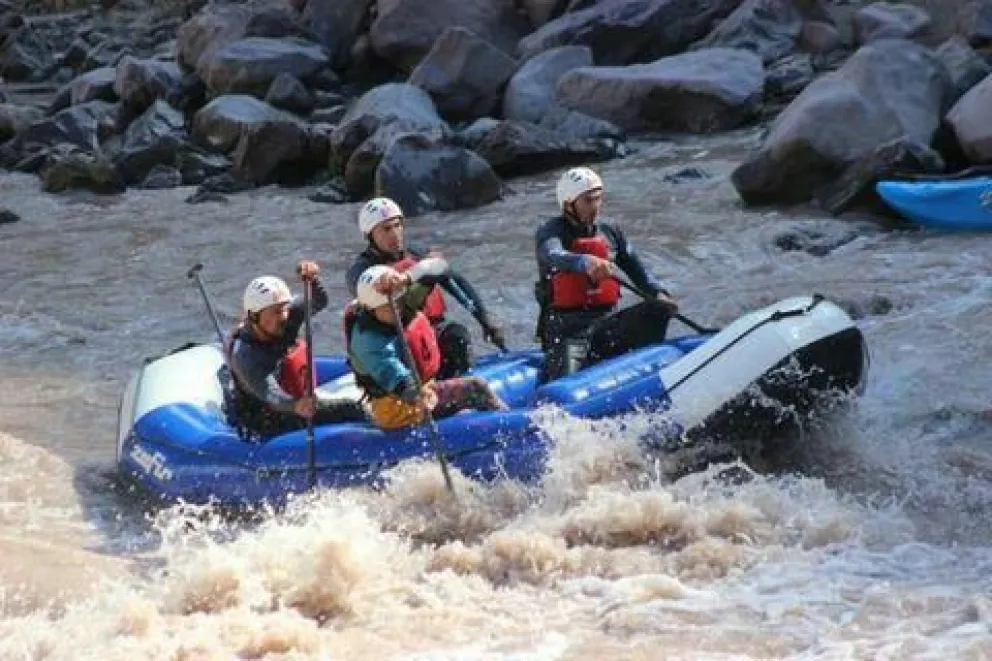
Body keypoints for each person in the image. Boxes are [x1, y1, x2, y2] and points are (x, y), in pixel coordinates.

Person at [534, 167, 679, 382]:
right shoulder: (550, 232)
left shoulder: (609, 231)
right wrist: (584, 261)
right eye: (588, 201)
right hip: (568, 332)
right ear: (569, 204)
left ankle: (650, 371)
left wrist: (659, 293)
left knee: (659, 308)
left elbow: (639, 273)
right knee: (565, 381)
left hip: (607, 324)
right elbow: (552, 255)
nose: (595, 207)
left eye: (598, 199)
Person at [345, 197, 507, 380]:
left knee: (457, 336)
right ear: (370, 235)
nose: (395, 234)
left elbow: (455, 281)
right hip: (393, 340)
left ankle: (456, 383)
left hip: (430, 328)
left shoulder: (417, 254)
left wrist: (485, 320)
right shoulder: (361, 271)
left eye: (398, 225)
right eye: (386, 229)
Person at [346, 262, 508, 431]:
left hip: (424, 389)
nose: (396, 310)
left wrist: (405, 278)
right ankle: (508, 428)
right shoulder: (368, 341)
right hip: (396, 408)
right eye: (387, 308)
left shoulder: (400, 302)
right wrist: (417, 396)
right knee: (476, 388)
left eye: (398, 303)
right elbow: (398, 379)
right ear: (370, 309)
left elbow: (439, 268)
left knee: (454, 337)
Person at [226, 261, 367, 440]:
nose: (284, 317)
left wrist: (313, 280)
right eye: (276, 312)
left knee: (354, 406)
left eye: (284, 308)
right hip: (267, 419)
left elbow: (318, 301)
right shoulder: (246, 355)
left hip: (295, 399)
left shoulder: (287, 315)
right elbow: (270, 393)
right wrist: (295, 405)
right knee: (350, 409)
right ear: (254, 316)